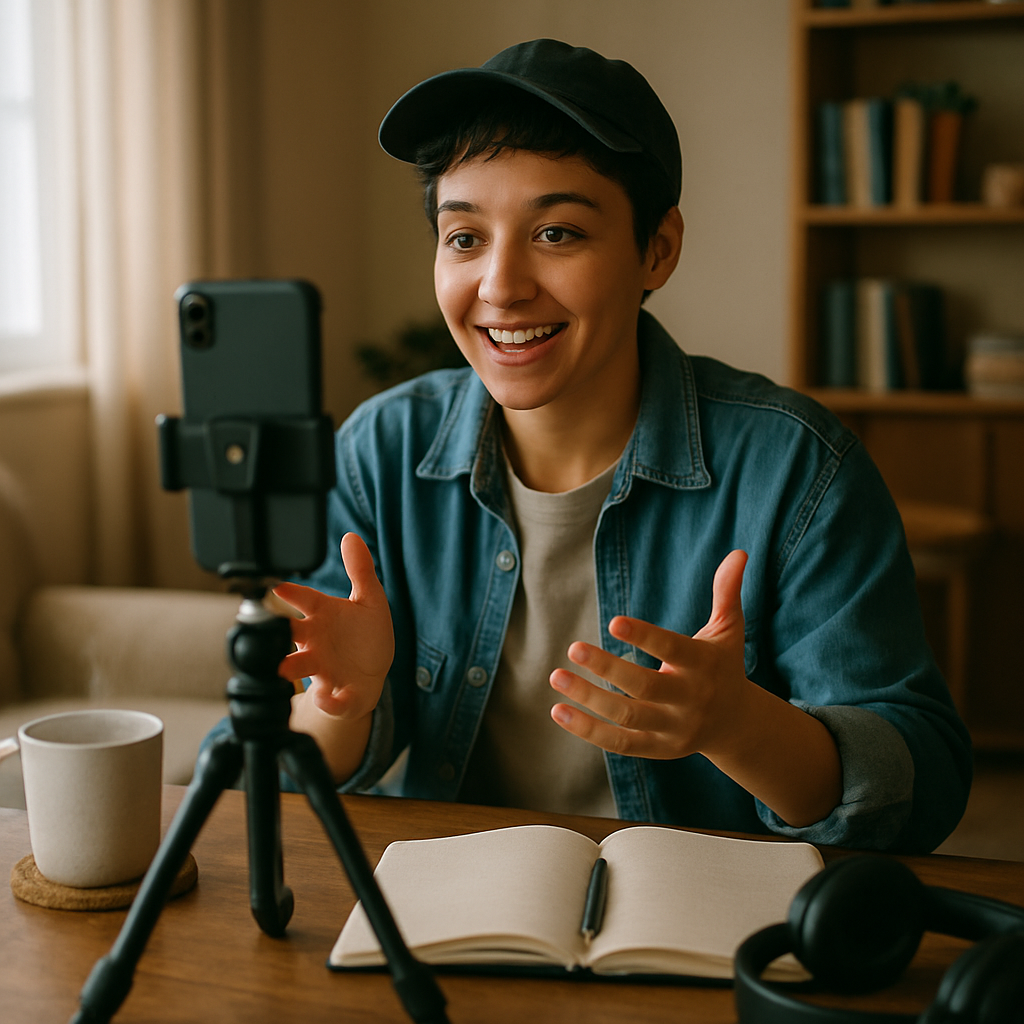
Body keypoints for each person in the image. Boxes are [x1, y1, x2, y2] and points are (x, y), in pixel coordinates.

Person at [208, 39, 972, 853]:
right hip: (450, 918)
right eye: (464, 238)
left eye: (558, 233)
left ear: (657, 249)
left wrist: (740, 726)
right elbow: (283, 786)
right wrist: (345, 701)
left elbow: (920, 784)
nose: (501, 286)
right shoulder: (381, 449)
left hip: (702, 929)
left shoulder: (798, 469)